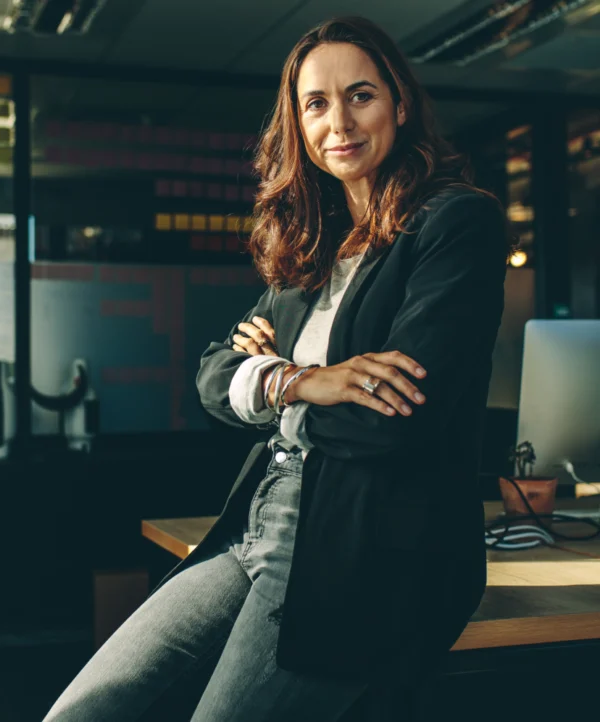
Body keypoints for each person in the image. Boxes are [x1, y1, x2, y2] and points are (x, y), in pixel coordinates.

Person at [43, 15, 508, 722]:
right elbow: (210, 378)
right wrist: (295, 379)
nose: (339, 123)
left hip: (358, 548)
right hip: (255, 523)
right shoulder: (312, 246)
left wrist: (267, 383)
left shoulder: (453, 224)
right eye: (316, 104)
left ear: (400, 105)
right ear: (298, 121)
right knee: (81, 711)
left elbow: (395, 420)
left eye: (361, 95)